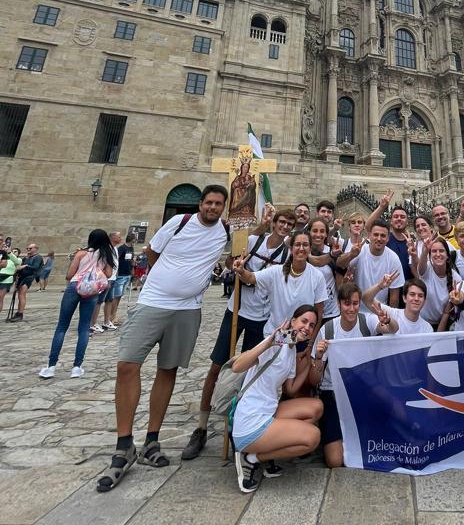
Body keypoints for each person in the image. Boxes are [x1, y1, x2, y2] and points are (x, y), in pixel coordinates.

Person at [96, 185, 230, 492]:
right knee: (127, 365)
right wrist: (168, 280)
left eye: (218, 204)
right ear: (200, 203)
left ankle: (151, 441)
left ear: (223, 207)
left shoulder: (224, 231)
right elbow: (152, 252)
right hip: (153, 302)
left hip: (188, 310)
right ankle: (124, 443)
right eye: (208, 202)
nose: (212, 207)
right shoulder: (179, 222)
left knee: (167, 370)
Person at [181, 208, 295, 461]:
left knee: (248, 374)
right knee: (217, 366)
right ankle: (201, 426)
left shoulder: (287, 254)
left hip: (262, 318)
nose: (285, 226)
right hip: (236, 310)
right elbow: (231, 260)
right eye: (281, 222)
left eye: (289, 224)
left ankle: (239, 426)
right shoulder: (254, 240)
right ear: (274, 223)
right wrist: (258, 231)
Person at [229, 306, 324, 493]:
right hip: (251, 421)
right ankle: (250, 458)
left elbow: (291, 388)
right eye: (304, 321)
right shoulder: (277, 341)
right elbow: (237, 366)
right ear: (293, 321)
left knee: (316, 407)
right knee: (313, 437)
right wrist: (269, 342)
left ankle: (264, 451)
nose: (307, 327)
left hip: (268, 411)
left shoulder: (290, 348)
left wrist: (312, 359)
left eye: (312, 325)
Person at [309, 282, 395, 467]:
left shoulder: (367, 321)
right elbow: (314, 379)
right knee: (334, 461)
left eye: (355, 303)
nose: (351, 308)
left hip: (361, 390)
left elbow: (392, 330)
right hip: (332, 392)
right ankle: (335, 434)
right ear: (339, 304)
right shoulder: (328, 330)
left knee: (389, 408)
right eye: (347, 303)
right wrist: (318, 356)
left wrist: (387, 320)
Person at [38, 230, 114, 379]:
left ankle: (51, 366)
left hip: (75, 286)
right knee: (84, 328)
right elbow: (109, 274)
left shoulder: (81, 254)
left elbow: (69, 274)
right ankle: (77, 367)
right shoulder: (106, 256)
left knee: (62, 327)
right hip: (91, 290)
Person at [343, 221, 404, 313]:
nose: (379, 238)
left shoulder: (393, 258)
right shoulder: (359, 251)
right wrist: (351, 255)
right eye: (376, 234)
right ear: (369, 236)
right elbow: (339, 264)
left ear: (388, 238)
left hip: (379, 311)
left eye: (383, 236)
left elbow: (394, 295)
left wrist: (389, 319)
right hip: (356, 310)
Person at [415, 235, 460, 329]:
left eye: (442, 251)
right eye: (434, 251)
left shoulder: (456, 278)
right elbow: (420, 268)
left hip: (445, 323)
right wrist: (425, 251)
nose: (438, 254)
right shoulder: (426, 269)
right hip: (422, 323)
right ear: (430, 255)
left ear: (447, 255)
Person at [365, 190, 412, 280]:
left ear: (407, 222)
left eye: (402, 217)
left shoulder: (411, 242)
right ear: (391, 221)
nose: (399, 219)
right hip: (385, 286)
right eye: (395, 216)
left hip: (406, 288)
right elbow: (368, 226)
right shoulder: (384, 238)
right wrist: (382, 207)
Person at [364, 276, 432, 334]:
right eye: (412, 294)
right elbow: (366, 299)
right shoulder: (391, 313)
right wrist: (379, 286)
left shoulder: (427, 328)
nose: (416, 299)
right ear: (404, 298)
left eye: (420, 296)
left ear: (424, 301)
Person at [90, 231, 122, 332]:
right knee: (99, 301)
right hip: (105, 279)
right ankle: (93, 323)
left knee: (109, 300)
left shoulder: (115, 248)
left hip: (112, 278)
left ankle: (106, 321)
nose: (121, 238)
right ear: (112, 237)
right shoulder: (106, 248)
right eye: (119, 236)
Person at [8, 242, 44, 321]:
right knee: (20, 295)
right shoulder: (27, 258)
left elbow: (36, 267)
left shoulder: (37, 257)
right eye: (27, 248)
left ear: (35, 249)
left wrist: (26, 266)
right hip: (22, 277)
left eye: (30, 248)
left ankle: (20, 314)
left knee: (22, 294)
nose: (28, 250)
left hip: (29, 277)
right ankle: (18, 313)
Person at [110, 234, 136, 324]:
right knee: (116, 296)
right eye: (134, 239)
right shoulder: (122, 248)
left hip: (127, 274)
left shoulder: (131, 249)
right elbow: (116, 260)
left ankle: (114, 315)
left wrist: (133, 268)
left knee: (120, 296)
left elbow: (131, 259)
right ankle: (111, 317)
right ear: (132, 239)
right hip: (121, 274)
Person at [0, 247, 21, 314]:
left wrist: (10, 253)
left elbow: (17, 263)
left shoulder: (18, 259)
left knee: (0, 297)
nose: (14, 252)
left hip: (7, 279)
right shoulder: (5, 258)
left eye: (15, 251)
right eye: (13, 251)